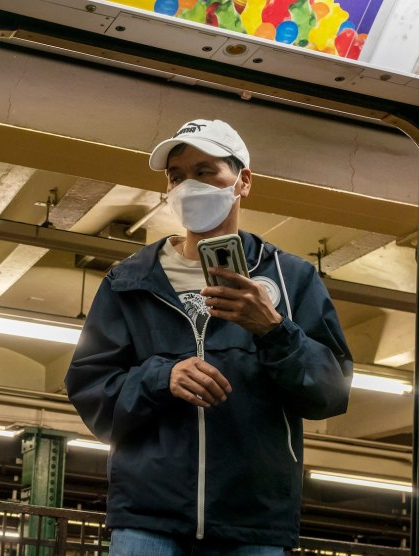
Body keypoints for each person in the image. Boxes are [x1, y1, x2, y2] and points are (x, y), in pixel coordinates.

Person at [65, 119, 353, 555]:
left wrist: (274, 331)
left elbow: (330, 394)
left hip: (252, 522)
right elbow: (91, 390)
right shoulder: (129, 281)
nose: (188, 186)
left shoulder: (292, 280)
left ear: (244, 181)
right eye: (177, 177)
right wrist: (163, 378)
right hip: (149, 517)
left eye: (205, 172)